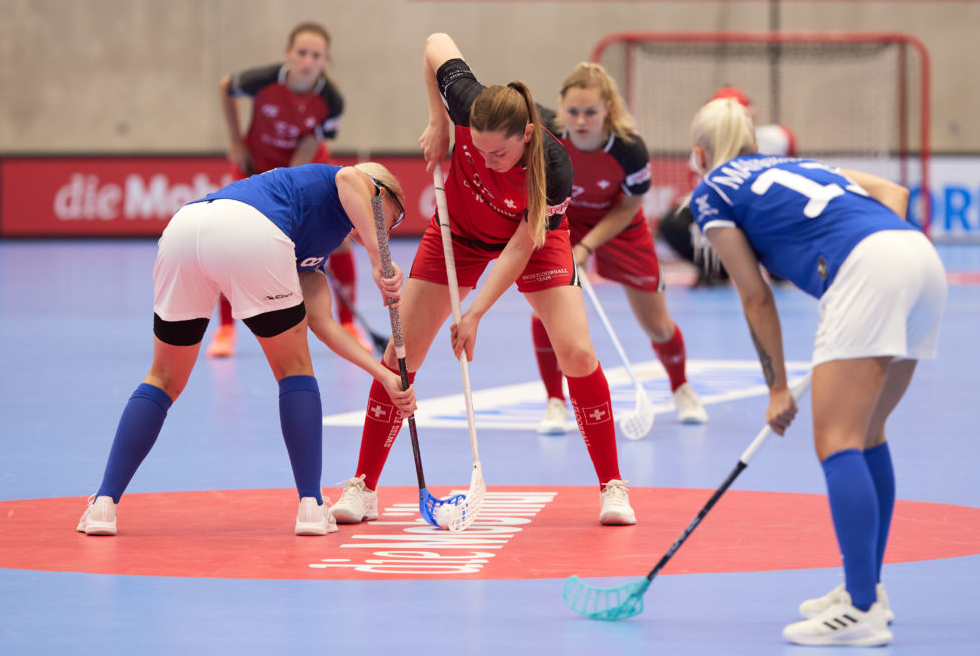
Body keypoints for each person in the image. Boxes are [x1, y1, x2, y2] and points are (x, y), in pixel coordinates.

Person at [328, 32, 636, 526]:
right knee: (400, 356)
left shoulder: (553, 167)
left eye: (499, 155)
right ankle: (363, 485)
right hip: (461, 233)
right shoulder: (470, 103)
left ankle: (612, 486)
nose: (488, 161)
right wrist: (439, 124)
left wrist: (473, 314)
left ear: (527, 137)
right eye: (480, 150)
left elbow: (519, 248)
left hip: (532, 242)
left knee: (577, 353)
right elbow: (435, 44)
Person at [687, 97, 947, 647]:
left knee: (836, 441)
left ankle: (858, 610)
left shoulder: (712, 191)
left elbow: (755, 296)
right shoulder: (794, 166)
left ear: (699, 154)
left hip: (868, 268)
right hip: (919, 258)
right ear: (756, 144)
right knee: (868, 433)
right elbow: (894, 195)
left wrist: (777, 387)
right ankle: (867, 590)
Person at [76, 162, 416, 537]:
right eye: (388, 219)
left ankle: (102, 505)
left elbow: (324, 324)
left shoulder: (313, 243)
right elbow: (352, 179)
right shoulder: (347, 180)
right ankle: (310, 506)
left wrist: (383, 375)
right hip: (250, 231)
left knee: (164, 378)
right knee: (294, 370)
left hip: (185, 230)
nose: (384, 231)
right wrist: (377, 257)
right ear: (378, 191)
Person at [531, 61, 706, 434]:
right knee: (546, 312)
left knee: (658, 327)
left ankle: (681, 388)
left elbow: (629, 205)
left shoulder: (629, 149)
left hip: (619, 226)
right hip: (566, 223)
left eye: (590, 112)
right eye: (573, 111)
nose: (580, 121)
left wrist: (588, 247)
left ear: (607, 108)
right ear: (562, 109)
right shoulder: (548, 137)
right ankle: (555, 402)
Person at [208, 21, 369, 357]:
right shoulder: (263, 80)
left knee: (338, 242)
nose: (308, 60)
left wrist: (289, 191)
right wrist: (236, 141)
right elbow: (226, 87)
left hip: (306, 169)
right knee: (232, 242)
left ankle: (349, 324)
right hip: (254, 165)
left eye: (316, 55)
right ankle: (225, 329)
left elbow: (309, 148)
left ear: (326, 59)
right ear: (288, 54)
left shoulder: (331, 101)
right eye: (302, 53)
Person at [659, 86, 797, 286]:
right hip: (725, 215)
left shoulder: (780, 140)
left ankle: (779, 264)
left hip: (764, 212)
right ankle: (715, 268)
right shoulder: (700, 155)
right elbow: (705, 203)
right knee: (675, 221)